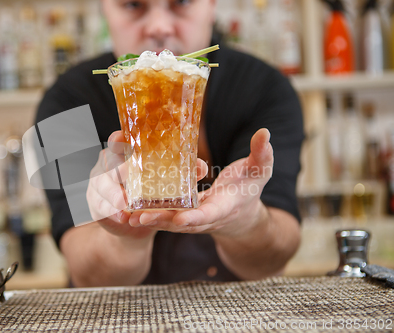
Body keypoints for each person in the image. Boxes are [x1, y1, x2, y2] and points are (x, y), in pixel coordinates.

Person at [35, 0, 304, 287]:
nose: (159, 27)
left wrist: (247, 223)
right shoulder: (64, 101)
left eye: (182, 2)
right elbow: (85, 272)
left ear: (212, 5)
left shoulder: (266, 87)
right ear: (104, 9)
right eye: (133, 5)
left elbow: (276, 256)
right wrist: (125, 240)